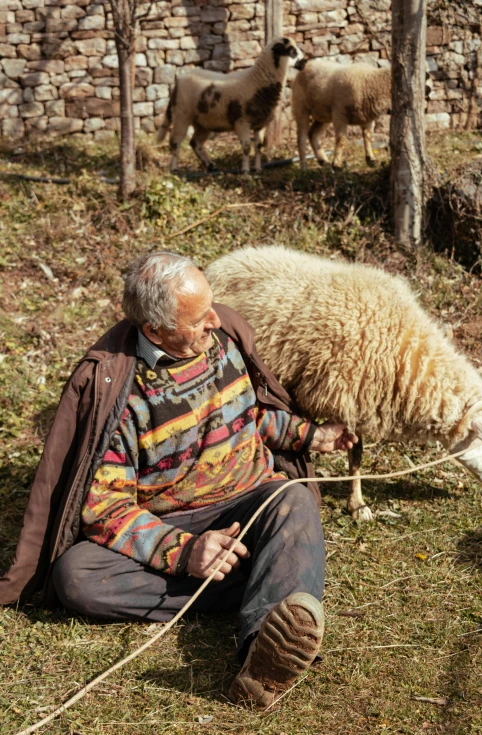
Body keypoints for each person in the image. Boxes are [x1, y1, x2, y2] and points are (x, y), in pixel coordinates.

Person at [0, 252, 356, 710]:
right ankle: (270, 578)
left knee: (294, 502)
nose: (215, 320)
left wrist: (312, 436)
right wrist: (184, 552)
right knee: (76, 578)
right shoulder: (121, 393)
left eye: (212, 306)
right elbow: (105, 509)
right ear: (155, 330)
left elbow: (250, 416)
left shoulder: (222, 337)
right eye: (198, 317)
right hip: (172, 522)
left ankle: (263, 655)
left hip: (251, 498)